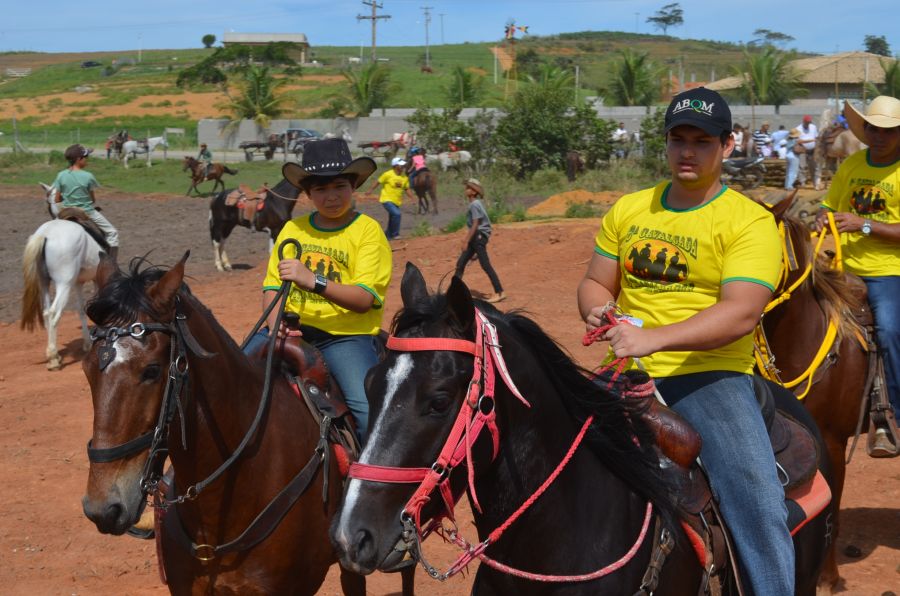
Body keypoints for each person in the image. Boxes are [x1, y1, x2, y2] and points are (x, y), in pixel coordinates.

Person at [577, 87, 793, 595]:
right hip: (624, 368)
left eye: (702, 141)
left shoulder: (750, 222)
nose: (688, 152)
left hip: (709, 374)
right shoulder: (630, 209)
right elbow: (594, 282)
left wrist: (652, 339)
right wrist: (596, 309)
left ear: (728, 145)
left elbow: (740, 313)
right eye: (678, 139)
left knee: (757, 501)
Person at [246, 138, 390, 442]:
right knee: (227, 382)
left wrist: (313, 281)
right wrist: (275, 328)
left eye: (339, 186)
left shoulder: (367, 231)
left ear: (353, 186)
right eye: (321, 189)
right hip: (290, 330)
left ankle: (370, 482)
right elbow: (272, 286)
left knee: (368, 410)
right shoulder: (293, 229)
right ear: (308, 193)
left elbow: (364, 299)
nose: (332, 197)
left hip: (344, 337)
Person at [816, 95, 900, 456]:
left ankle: (892, 415)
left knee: (891, 329)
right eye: (872, 128)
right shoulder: (851, 164)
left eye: (887, 130)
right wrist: (824, 218)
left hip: (888, 271)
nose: (878, 136)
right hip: (844, 269)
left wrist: (863, 225)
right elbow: (829, 206)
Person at [53, 144, 119, 261]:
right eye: (85, 157)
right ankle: (112, 264)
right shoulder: (88, 176)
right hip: (86, 212)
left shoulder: (61, 175)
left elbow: (57, 199)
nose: (87, 160)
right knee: (112, 232)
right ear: (79, 159)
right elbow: (92, 200)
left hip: (67, 213)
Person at [455, 178, 505, 303]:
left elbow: (476, 223)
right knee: (461, 262)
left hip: (478, 236)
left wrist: (466, 241)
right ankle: (454, 291)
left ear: (474, 192)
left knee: (485, 265)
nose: (466, 190)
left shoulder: (475, 204)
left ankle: (499, 292)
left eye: (468, 188)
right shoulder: (475, 204)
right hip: (477, 237)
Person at [366, 156, 415, 241]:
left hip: (397, 201)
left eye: (403, 165)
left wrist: (412, 198)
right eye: (401, 165)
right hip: (386, 199)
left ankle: (387, 235)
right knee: (397, 214)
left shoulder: (404, 177)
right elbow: (378, 182)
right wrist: (370, 190)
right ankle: (395, 234)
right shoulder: (388, 174)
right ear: (395, 166)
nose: (403, 167)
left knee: (393, 217)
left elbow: (406, 189)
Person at [796, 115, 820, 189]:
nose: (808, 124)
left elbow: (816, 137)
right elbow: (798, 141)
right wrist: (811, 140)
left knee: (814, 167)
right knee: (802, 166)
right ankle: (802, 182)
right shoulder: (798, 129)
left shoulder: (813, 127)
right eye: (807, 122)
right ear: (803, 121)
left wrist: (816, 147)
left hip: (813, 149)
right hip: (803, 150)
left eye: (809, 122)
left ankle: (816, 183)